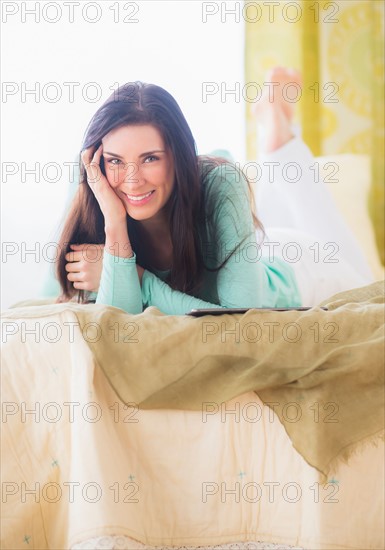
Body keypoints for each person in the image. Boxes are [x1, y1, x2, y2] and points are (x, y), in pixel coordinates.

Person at [55, 68, 374, 315]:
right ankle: (277, 140)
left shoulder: (221, 181)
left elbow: (240, 319)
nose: (132, 179)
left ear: (178, 156)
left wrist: (141, 281)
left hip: (305, 271)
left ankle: (279, 145)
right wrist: (115, 224)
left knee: (366, 279)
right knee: (264, 232)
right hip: (251, 252)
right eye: (115, 161)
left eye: (150, 158)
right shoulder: (103, 207)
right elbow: (119, 328)